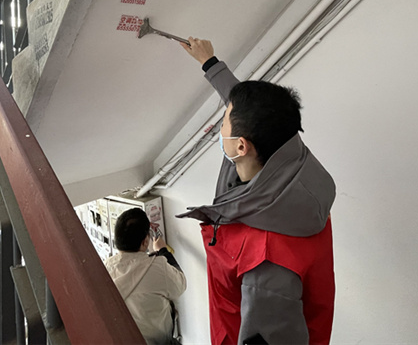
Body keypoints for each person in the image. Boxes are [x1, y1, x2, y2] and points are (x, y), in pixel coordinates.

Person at [176, 38, 336, 345]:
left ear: (241, 146)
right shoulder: (289, 152)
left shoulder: (267, 269)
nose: (220, 127)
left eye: (224, 123)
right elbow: (251, 108)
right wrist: (210, 64)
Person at [105, 208, 186, 345]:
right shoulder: (157, 267)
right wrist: (163, 250)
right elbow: (181, 284)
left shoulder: (105, 267)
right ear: (145, 242)